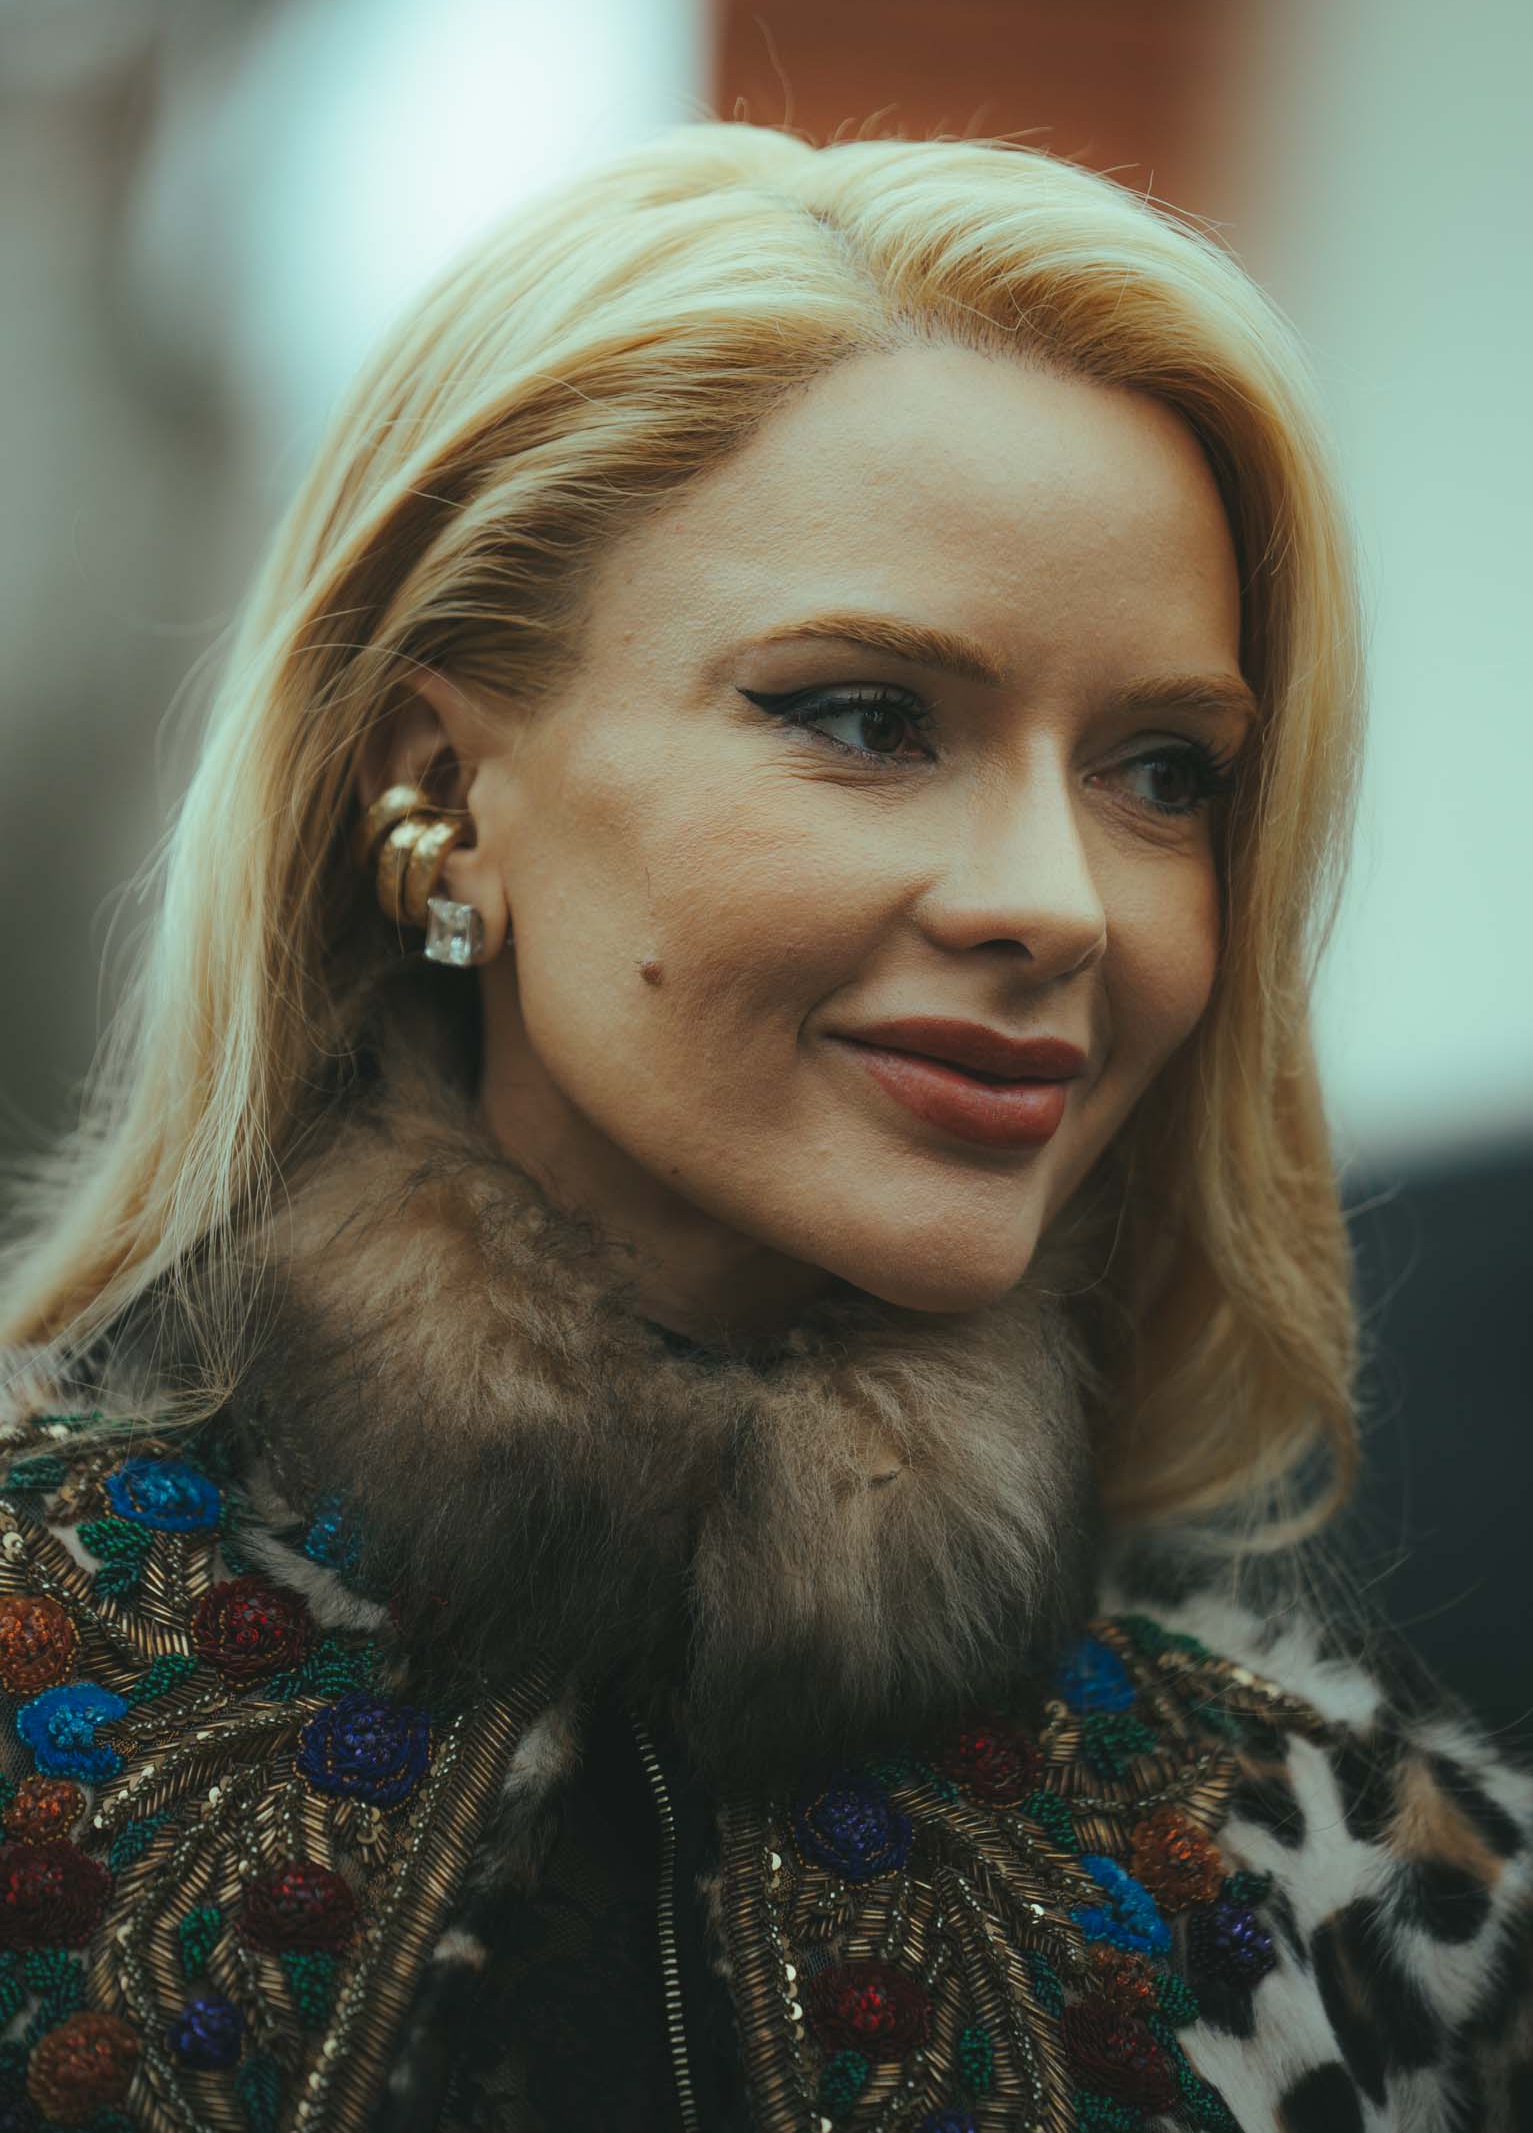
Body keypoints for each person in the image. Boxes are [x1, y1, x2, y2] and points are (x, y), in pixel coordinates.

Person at [0, 122, 1526, 2133]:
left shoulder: (1363, 1909)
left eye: (1162, 769)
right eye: (866, 717)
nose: (1060, 901)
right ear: (440, 785)